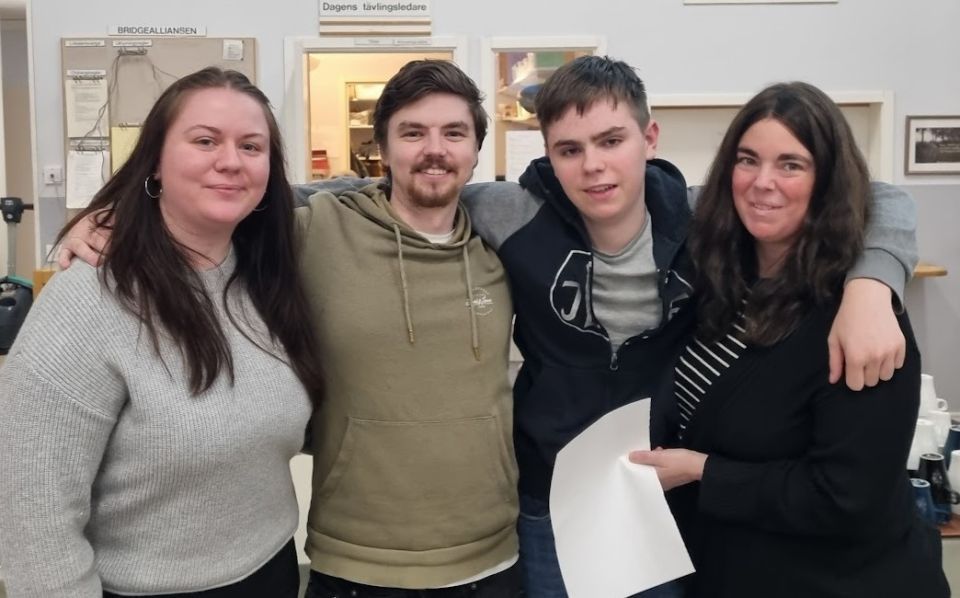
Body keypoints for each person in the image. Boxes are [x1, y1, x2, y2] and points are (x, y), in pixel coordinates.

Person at [59, 58, 918, 598]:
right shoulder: (511, 210)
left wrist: (872, 283)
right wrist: (119, 211)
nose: (593, 165)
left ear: (648, 138)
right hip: (539, 502)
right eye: (570, 149)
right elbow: (290, 195)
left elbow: (867, 192)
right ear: (543, 154)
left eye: (612, 141)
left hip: (659, 498)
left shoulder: (701, 216)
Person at [0, 67, 324, 597]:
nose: (231, 161)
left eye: (251, 146)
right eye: (205, 141)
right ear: (155, 159)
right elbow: (31, 515)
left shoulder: (266, 281)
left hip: (272, 570)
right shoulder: (88, 299)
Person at [629, 82, 949, 598]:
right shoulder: (721, 278)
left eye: (791, 165)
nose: (762, 182)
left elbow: (847, 499)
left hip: (840, 582)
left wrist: (701, 471)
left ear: (827, 182)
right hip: (729, 569)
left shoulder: (859, 317)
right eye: (747, 160)